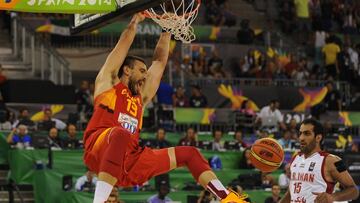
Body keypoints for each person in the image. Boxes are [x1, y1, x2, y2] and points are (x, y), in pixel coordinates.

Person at [83, 14, 247, 203]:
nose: (146, 76)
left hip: (130, 162)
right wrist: (134, 22)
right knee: (120, 134)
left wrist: (167, 29)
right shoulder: (108, 83)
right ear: (127, 70)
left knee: (190, 153)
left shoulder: (140, 99)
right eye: (142, 71)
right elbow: (122, 46)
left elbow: (159, 62)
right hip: (98, 149)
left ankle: (227, 198)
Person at [279, 118, 359, 203]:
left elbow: (354, 191)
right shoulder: (295, 158)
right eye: (300, 133)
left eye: (307, 133)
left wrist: (333, 197)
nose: (301, 138)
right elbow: (291, 193)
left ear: (318, 137)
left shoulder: (333, 161)